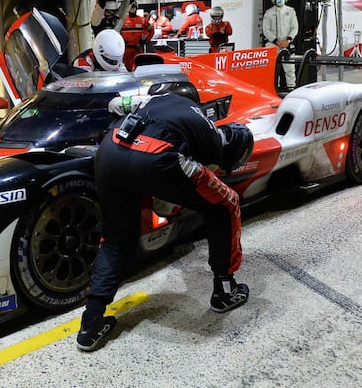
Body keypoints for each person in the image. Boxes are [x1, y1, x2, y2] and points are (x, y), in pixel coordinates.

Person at [76, 86, 253, 352]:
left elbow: (113, 104)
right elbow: (203, 182)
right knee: (226, 204)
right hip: (155, 156)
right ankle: (225, 291)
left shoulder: (150, 101)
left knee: (115, 240)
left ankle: (90, 323)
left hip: (110, 150)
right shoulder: (209, 130)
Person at [262, 0, 300, 90]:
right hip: (273, 44)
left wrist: (288, 40)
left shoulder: (291, 11)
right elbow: (266, 30)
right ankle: (274, 90)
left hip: (287, 43)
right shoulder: (269, 12)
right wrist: (277, 41)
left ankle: (291, 89)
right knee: (273, 70)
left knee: (290, 69)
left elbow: (295, 27)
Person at [119, 2, 150, 70]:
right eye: (130, 7)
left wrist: (145, 40)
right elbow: (118, 32)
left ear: (136, 8)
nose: (132, 9)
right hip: (126, 49)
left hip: (138, 49)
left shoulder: (142, 20)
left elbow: (150, 30)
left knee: (139, 67)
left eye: (133, 7)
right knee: (126, 68)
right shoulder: (123, 20)